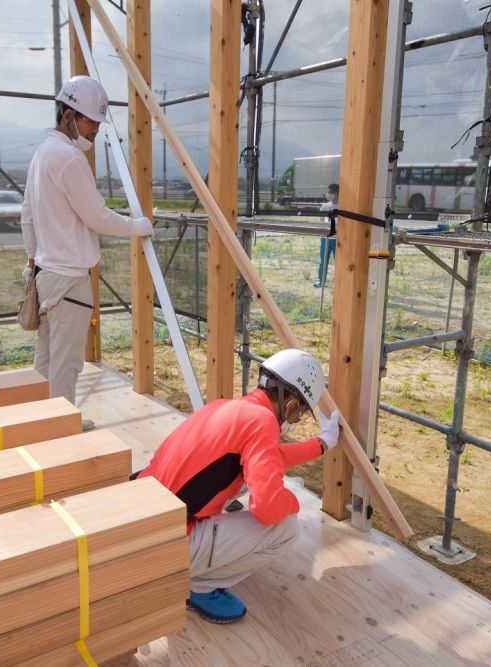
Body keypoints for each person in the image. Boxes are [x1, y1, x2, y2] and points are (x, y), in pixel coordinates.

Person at [137, 349, 342, 624]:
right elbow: (268, 508)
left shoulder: (226, 408)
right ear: (291, 404)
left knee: (248, 480)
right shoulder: (263, 422)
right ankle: (197, 586)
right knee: (286, 529)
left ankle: (191, 567)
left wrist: (321, 444)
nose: (293, 422)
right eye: (297, 416)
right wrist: (291, 503)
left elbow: (270, 458)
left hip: (142, 523)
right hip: (168, 543)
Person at [20, 75, 154, 432]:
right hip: (68, 279)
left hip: (47, 275)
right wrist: (136, 225)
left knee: (46, 360)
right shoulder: (68, 158)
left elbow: (27, 217)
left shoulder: (41, 156)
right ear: (68, 115)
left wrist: (32, 260)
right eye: (90, 120)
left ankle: (41, 424)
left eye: (97, 122)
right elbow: (95, 215)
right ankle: (60, 435)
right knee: (66, 364)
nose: (95, 129)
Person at [313, 183, 339, 288]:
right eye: (328, 192)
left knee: (340, 262)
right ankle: (321, 281)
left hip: (338, 240)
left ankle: (339, 283)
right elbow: (320, 222)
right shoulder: (324, 207)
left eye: (331, 192)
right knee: (323, 261)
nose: (329, 194)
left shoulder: (343, 207)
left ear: (337, 193)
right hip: (325, 239)